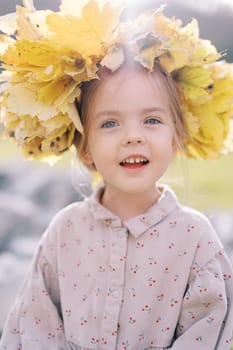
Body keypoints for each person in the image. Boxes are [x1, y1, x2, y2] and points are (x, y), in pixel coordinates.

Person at [0, 1, 233, 349]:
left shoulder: (194, 239)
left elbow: (208, 331)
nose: (132, 136)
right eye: (110, 123)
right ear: (85, 147)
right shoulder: (65, 233)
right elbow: (35, 326)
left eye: (151, 120)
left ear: (176, 136)